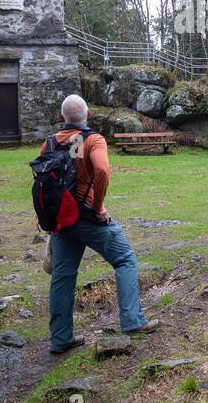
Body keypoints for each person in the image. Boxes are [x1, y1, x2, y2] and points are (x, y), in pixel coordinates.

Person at [42, 94, 160, 354]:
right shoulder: (93, 139)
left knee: (62, 277)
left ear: (62, 118)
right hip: (87, 216)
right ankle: (132, 321)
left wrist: (47, 218)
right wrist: (98, 207)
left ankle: (60, 340)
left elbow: (41, 181)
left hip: (62, 221)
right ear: (87, 115)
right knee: (125, 259)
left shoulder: (50, 142)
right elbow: (103, 171)